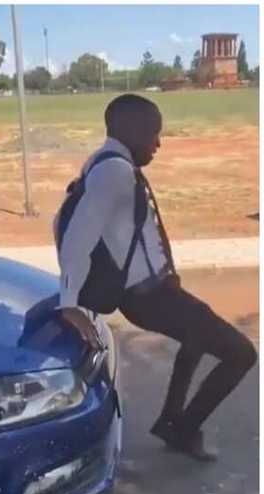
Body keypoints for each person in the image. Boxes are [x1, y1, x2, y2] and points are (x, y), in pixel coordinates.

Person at [56, 93, 256, 461]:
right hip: (147, 297)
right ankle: (182, 427)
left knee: (197, 331)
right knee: (241, 354)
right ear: (130, 130)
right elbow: (78, 238)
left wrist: (168, 272)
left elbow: (137, 233)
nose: (158, 143)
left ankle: (172, 421)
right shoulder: (114, 171)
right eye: (153, 134)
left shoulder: (107, 162)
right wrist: (69, 304)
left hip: (157, 290)